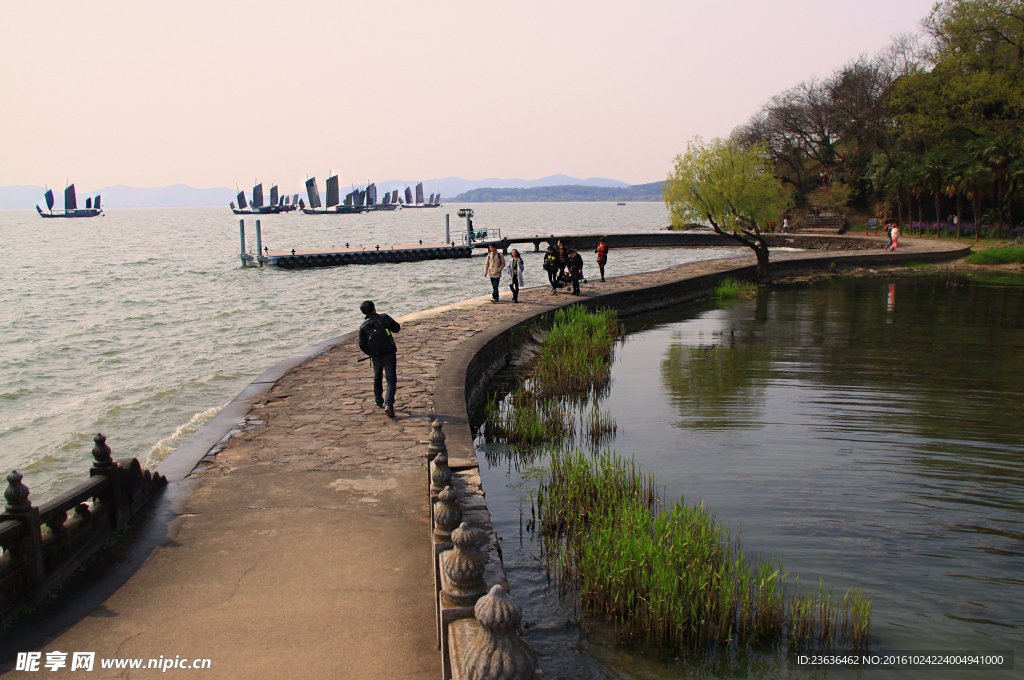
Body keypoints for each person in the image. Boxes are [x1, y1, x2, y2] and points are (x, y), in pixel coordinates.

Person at [358, 300, 401, 418]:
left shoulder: (363, 327)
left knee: (377, 377)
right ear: (374, 309)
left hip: (376, 355)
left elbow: (362, 345)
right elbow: (397, 328)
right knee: (391, 379)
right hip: (389, 352)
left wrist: (371, 353)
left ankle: (378, 401)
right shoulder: (384, 318)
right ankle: (389, 405)